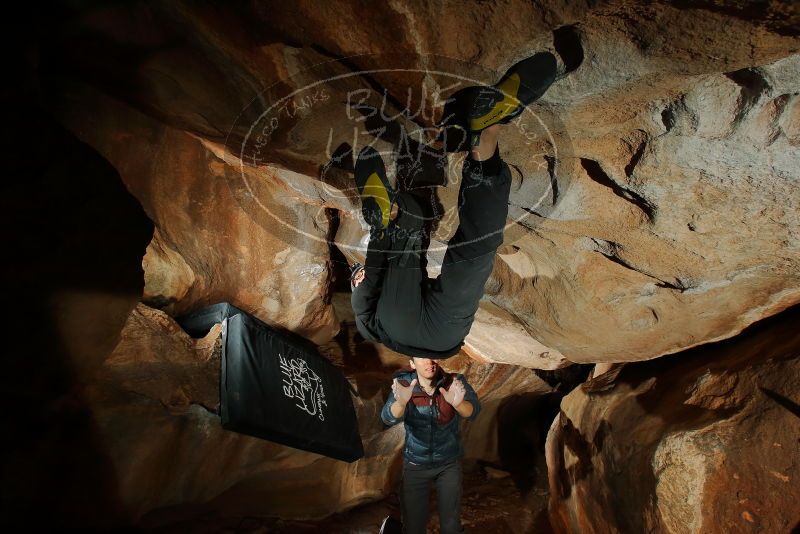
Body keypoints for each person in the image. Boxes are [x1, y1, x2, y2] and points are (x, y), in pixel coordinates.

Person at [350, 52, 559, 360]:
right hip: (405, 323)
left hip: (435, 333)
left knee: (477, 248)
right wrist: (378, 240)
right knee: (410, 229)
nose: (359, 278)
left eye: (355, 277)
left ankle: (487, 134)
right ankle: (482, 131)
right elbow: (371, 280)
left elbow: (366, 289)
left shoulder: (370, 323)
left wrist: (368, 272)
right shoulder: (369, 320)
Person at [381, 357, 480, 534]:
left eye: (433, 357)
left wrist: (458, 404)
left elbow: (473, 411)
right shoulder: (404, 384)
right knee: (413, 526)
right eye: (422, 357)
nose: (429, 362)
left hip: (448, 463)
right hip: (416, 464)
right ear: (412, 364)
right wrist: (401, 402)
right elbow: (387, 417)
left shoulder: (453, 381)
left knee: (451, 526)